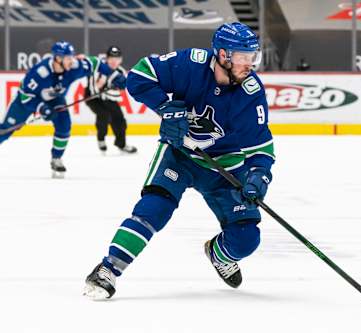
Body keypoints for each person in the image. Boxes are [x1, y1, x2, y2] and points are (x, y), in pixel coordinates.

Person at [84, 22, 275, 300]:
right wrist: (164, 107)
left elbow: (261, 146)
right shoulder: (191, 64)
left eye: (252, 56)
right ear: (223, 55)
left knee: (246, 238)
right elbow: (139, 75)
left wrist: (259, 175)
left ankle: (217, 254)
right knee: (153, 208)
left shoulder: (250, 92)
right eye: (243, 57)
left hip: (226, 165)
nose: (250, 64)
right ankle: (108, 269)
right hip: (180, 154)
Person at [0, 41, 127, 178]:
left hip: (55, 99)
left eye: (71, 57)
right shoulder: (40, 73)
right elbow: (26, 97)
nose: (71, 61)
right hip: (27, 101)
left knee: (64, 124)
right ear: (58, 58)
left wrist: (115, 76)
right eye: (68, 58)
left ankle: (56, 159)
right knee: (7, 129)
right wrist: (42, 109)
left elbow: (95, 63)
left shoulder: (75, 67)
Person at [85, 46, 137, 154]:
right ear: (107, 58)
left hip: (109, 98)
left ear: (121, 59)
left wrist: (113, 88)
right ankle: (101, 139)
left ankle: (121, 144)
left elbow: (119, 93)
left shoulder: (120, 72)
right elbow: (92, 88)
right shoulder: (99, 68)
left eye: (117, 58)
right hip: (93, 97)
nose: (114, 61)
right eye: (111, 58)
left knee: (120, 120)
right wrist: (103, 85)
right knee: (104, 115)